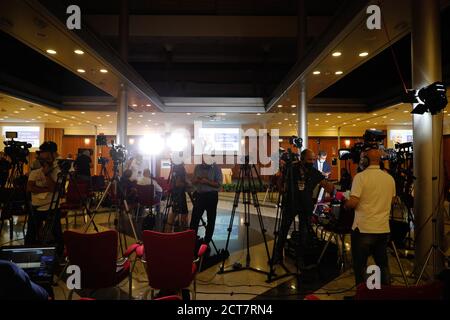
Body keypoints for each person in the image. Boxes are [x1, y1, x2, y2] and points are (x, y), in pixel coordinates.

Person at [273, 149, 335, 265]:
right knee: (283, 229)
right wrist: (282, 190)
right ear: (302, 159)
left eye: (313, 159)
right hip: (291, 204)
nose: (311, 162)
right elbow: (280, 179)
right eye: (309, 159)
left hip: (306, 205)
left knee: (304, 232)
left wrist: (330, 186)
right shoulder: (292, 169)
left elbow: (327, 186)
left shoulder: (314, 171)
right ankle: (277, 255)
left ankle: (300, 257)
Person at [344, 148, 396, 287]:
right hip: (383, 229)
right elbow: (392, 201)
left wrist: (346, 204)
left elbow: (354, 202)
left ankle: (362, 294)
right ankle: (384, 294)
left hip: (363, 229)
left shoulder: (360, 177)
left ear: (365, 161)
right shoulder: (389, 178)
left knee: (360, 266)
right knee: (382, 265)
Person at [25, 141, 63, 255]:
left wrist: (47, 174)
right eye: (41, 158)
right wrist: (46, 188)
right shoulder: (36, 168)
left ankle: (58, 256)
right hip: (36, 206)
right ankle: (28, 255)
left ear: (52, 154)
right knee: (31, 234)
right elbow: (29, 188)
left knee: (56, 234)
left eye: (45, 156)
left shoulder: (58, 169)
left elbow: (54, 188)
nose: (42, 160)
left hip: (52, 206)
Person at [189, 159, 222, 245]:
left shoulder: (216, 167)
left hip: (211, 196)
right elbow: (192, 181)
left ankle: (206, 241)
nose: (203, 162)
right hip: (200, 196)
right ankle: (192, 240)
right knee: (194, 219)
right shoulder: (197, 167)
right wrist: (196, 180)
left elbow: (219, 184)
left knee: (211, 219)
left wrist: (207, 181)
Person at [165, 164, 189, 232]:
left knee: (174, 213)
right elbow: (178, 183)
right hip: (179, 195)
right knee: (181, 214)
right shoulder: (180, 168)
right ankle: (181, 235)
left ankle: (168, 234)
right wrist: (188, 184)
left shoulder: (174, 167)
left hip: (175, 194)